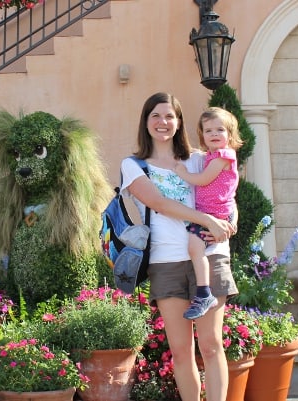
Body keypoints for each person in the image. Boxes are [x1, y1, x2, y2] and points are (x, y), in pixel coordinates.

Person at [120, 92, 238, 401]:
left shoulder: (198, 158)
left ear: (179, 121)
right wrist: (206, 219)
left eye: (170, 115)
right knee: (182, 351)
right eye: (156, 116)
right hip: (166, 260)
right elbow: (158, 202)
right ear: (146, 122)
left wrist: (230, 222)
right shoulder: (134, 165)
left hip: (210, 255)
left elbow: (228, 192)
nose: (163, 122)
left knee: (211, 345)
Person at [173, 107, 242, 320]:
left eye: (220, 130)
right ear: (202, 135)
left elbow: (203, 179)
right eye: (208, 130)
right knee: (195, 248)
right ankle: (203, 293)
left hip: (216, 214)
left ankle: (204, 293)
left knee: (195, 248)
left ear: (230, 135)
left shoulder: (224, 155)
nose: (213, 134)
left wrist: (183, 173)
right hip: (210, 213)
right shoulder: (211, 156)